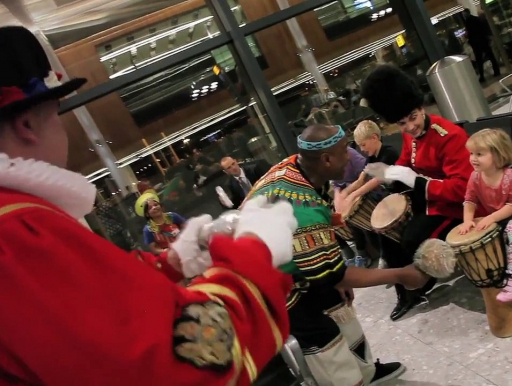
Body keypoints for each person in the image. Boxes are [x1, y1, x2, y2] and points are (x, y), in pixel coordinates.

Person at [0, 25, 298, 385]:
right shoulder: (17, 232)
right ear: (29, 123)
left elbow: (96, 319)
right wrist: (254, 252)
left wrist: (170, 263)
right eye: (58, 118)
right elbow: (181, 363)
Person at [244, 123, 430, 386]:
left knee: (339, 307)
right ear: (327, 159)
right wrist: (403, 274)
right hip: (271, 288)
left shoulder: (295, 166)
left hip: (286, 261)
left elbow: (328, 268)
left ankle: (367, 373)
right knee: (323, 338)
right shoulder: (302, 209)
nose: (351, 153)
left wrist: (335, 279)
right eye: (345, 150)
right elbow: (336, 272)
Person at [361, 64, 474, 321]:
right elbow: (406, 160)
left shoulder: (449, 135)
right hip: (428, 200)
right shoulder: (412, 135)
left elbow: (463, 189)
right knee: (386, 234)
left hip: (454, 207)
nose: (410, 126)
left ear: (421, 108)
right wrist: (390, 173)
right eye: (402, 123)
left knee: (411, 238)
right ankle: (406, 292)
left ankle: (420, 283)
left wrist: (418, 182)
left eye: (413, 117)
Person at [455, 129, 512, 302]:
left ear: (498, 154)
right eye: (471, 153)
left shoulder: (511, 176)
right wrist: (467, 221)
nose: (473, 158)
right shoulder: (475, 177)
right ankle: (498, 272)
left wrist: (491, 218)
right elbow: (469, 200)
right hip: (501, 214)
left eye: (479, 154)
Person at [340, 120, 401, 269]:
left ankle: (389, 257)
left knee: (380, 228)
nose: (361, 149)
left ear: (374, 138)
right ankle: (386, 256)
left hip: (402, 194)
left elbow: (376, 180)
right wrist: (344, 195)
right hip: (388, 198)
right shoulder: (371, 157)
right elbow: (362, 179)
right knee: (374, 231)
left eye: (363, 144)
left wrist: (354, 196)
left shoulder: (389, 152)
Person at [332, 145, 372, 268]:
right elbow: (335, 184)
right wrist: (337, 195)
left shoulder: (349, 153)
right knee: (331, 219)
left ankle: (362, 252)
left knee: (350, 217)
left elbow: (366, 173)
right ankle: (348, 253)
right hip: (348, 192)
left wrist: (348, 193)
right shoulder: (325, 161)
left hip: (364, 190)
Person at [463, 8, 500, 82]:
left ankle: (482, 76)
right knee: (491, 56)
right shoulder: (477, 19)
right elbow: (483, 30)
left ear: (466, 13)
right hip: (483, 41)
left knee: (479, 60)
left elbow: (469, 34)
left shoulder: (467, 22)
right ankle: (497, 71)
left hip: (476, 44)